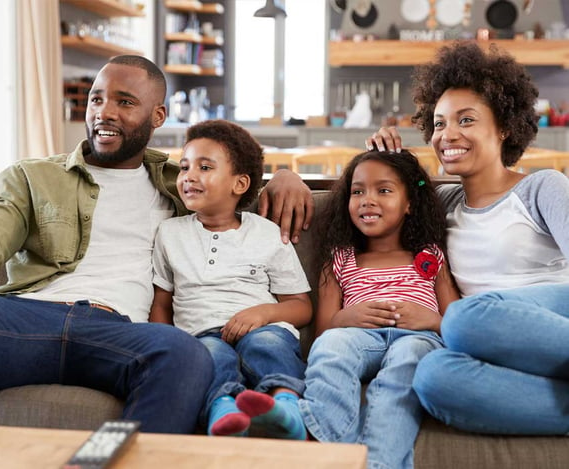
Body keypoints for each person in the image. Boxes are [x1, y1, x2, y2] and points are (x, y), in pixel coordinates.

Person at [0, 55, 313, 433]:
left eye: (125, 102)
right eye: (96, 99)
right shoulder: (32, 176)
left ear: (158, 116)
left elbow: (231, 197)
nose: (104, 112)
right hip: (26, 319)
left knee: (185, 354)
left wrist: (286, 178)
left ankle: (106, 458)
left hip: (118, 331)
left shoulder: (179, 183)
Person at [367, 41, 569, 436]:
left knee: (460, 318)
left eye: (466, 120)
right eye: (439, 123)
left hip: (553, 319)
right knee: (432, 376)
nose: (448, 134)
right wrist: (285, 179)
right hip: (495, 346)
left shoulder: (542, 187)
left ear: (505, 127)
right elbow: (372, 204)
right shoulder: (441, 202)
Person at [294, 150, 460, 469]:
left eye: (383, 190)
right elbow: (323, 334)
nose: (367, 200)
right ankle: (336, 458)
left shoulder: (431, 255)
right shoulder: (339, 259)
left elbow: (458, 322)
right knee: (331, 348)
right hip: (358, 338)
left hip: (417, 337)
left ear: (409, 203)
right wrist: (346, 317)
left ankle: (380, 463)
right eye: (358, 191)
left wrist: (431, 320)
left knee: (409, 360)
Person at [150, 119, 312, 438]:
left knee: (267, 345)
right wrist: (168, 344)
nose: (189, 176)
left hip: (262, 326)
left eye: (205, 167)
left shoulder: (266, 232)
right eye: (184, 167)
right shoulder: (169, 233)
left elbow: (301, 306)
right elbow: (161, 305)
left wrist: (262, 314)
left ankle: (287, 408)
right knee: (210, 356)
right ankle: (224, 413)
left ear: (239, 184)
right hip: (199, 334)